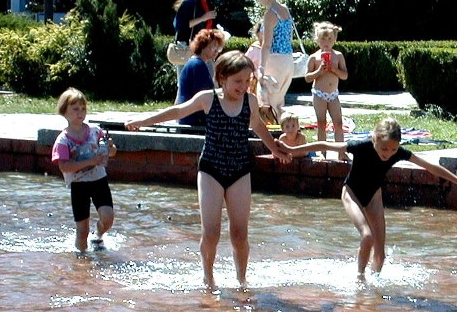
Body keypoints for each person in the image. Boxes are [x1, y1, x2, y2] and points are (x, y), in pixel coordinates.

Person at [125, 51, 289, 290]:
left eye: (247, 81)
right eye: (237, 81)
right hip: (211, 170)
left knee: (239, 234)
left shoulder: (250, 102)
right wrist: (142, 121)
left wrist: (275, 149)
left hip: (240, 171)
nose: (242, 86)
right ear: (222, 78)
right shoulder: (207, 99)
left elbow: (258, 126)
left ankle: (242, 280)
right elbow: (177, 111)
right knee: (211, 232)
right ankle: (208, 278)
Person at [277, 118, 457, 276]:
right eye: (384, 148)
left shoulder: (398, 152)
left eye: (393, 149)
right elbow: (323, 145)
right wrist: (292, 150)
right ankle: (360, 280)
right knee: (367, 236)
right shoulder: (361, 146)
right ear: (374, 139)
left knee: (380, 255)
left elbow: (430, 167)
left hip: (374, 196)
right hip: (352, 194)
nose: (388, 153)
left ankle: (373, 293)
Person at [51, 87, 117, 253]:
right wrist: (90, 161)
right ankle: (81, 261)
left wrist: (110, 147)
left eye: (83, 109)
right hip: (79, 185)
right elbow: (64, 166)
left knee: (108, 217)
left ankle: (99, 234)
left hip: (99, 180)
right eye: (75, 109)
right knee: (82, 230)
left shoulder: (95, 132)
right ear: (64, 112)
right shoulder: (63, 140)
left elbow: (112, 151)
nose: (80, 113)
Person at [250, 0, 294, 126]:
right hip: (288, 60)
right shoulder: (285, 10)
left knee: (267, 101)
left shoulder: (270, 14)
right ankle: (286, 133)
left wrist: (261, 68)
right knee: (279, 101)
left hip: (275, 60)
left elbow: (267, 44)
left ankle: (273, 136)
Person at [305, 21, 348, 151]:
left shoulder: (338, 56)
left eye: (329, 38)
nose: (326, 42)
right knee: (321, 123)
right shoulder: (314, 58)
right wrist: (318, 72)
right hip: (319, 93)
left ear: (334, 39)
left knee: (338, 124)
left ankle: (341, 152)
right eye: (323, 38)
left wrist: (335, 70)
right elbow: (307, 78)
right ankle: (321, 152)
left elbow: (345, 75)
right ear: (317, 40)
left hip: (333, 94)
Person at [177, 28, 227, 126]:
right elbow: (206, 95)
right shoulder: (198, 65)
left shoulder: (193, 62)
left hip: (187, 116)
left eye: (218, 48)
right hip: (194, 119)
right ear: (203, 45)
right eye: (214, 47)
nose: (217, 51)